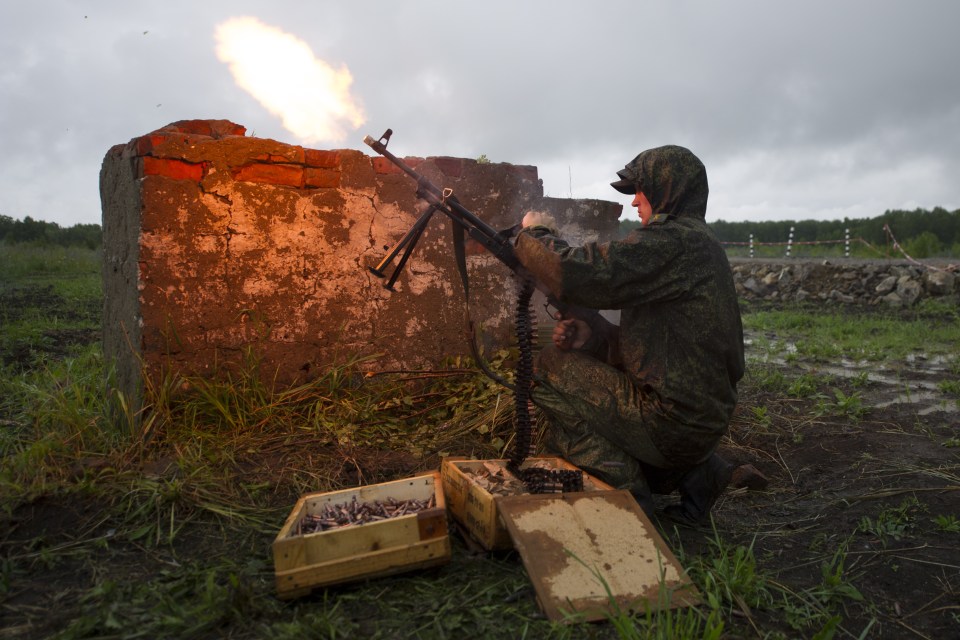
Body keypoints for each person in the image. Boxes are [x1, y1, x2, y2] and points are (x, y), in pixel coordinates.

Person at [513, 145, 764, 524]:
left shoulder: (672, 242)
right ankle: (699, 473)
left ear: (667, 191)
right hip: (700, 421)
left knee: (547, 367)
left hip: (673, 423)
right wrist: (595, 339)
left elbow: (579, 273)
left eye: (640, 192)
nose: (634, 204)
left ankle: (626, 491)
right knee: (579, 369)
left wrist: (536, 233)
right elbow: (665, 350)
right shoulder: (700, 243)